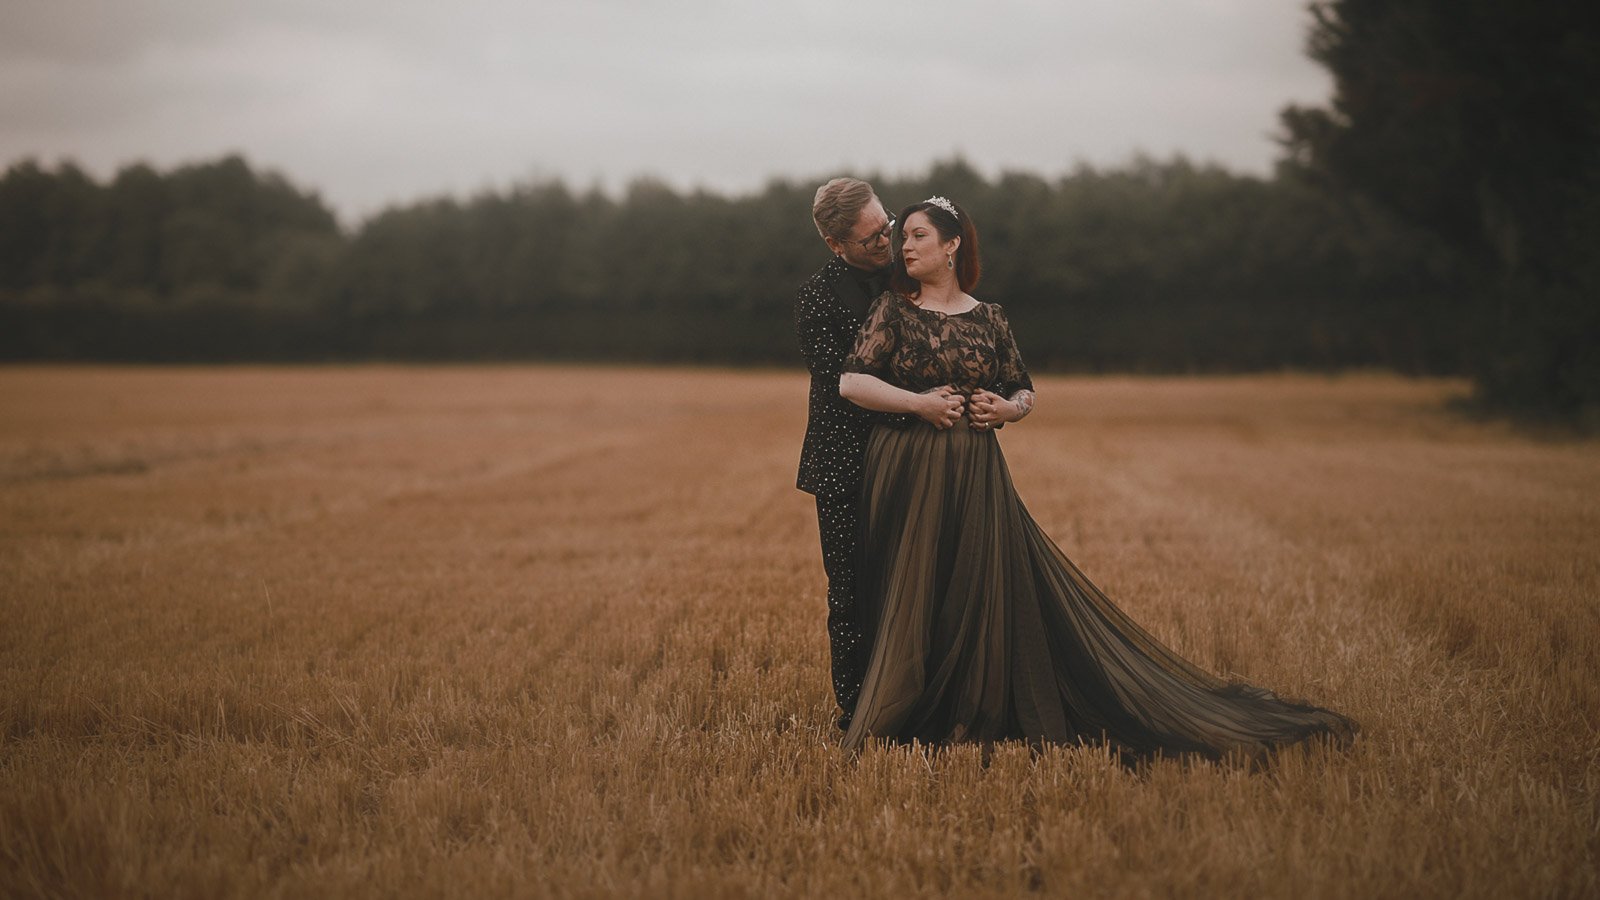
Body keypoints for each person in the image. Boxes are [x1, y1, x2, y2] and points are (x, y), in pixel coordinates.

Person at [836, 196, 1359, 761]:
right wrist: (917, 404)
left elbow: (1023, 387)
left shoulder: (991, 317)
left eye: (917, 236)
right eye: (904, 237)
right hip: (910, 466)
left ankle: (974, 707)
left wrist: (1008, 412)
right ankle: (909, 713)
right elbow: (851, 383)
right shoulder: (892, 309)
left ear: (952, 244)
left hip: (977, 472)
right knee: (915, 588)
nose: (904, 247)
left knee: (979, 586)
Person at [795, 178, 963, 731]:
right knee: (850, 592)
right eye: (871, 238)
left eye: (886, 225)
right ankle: (858, 711)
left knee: (924, 581)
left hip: (917, 452)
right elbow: (847, 384)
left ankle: (929, 699)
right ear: (834, 244)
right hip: (845, 460)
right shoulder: (819, 298)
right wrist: (918, 405)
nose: (887, 241)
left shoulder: (909, 272)